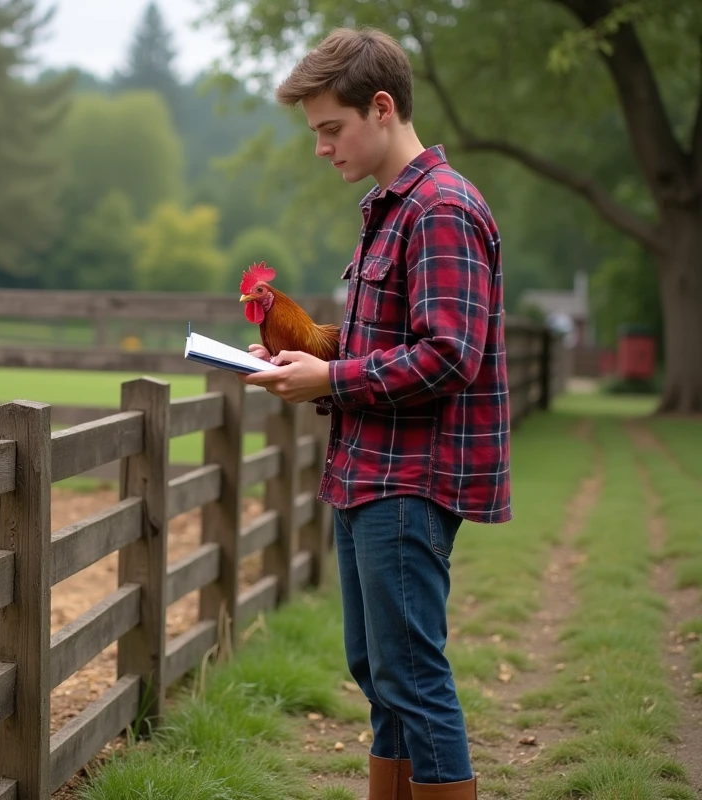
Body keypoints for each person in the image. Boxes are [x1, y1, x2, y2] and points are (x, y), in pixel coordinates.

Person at [242, 25, 511, 800]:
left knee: (412, 675)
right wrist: (313, 368)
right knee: (377, 669)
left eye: (332, 128)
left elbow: (451, 354)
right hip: (365, 471)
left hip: (410, 478)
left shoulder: (441, 210)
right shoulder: (389, 209)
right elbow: (381, 346)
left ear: (383, 108)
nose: (322, 147)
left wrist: (337, 373)